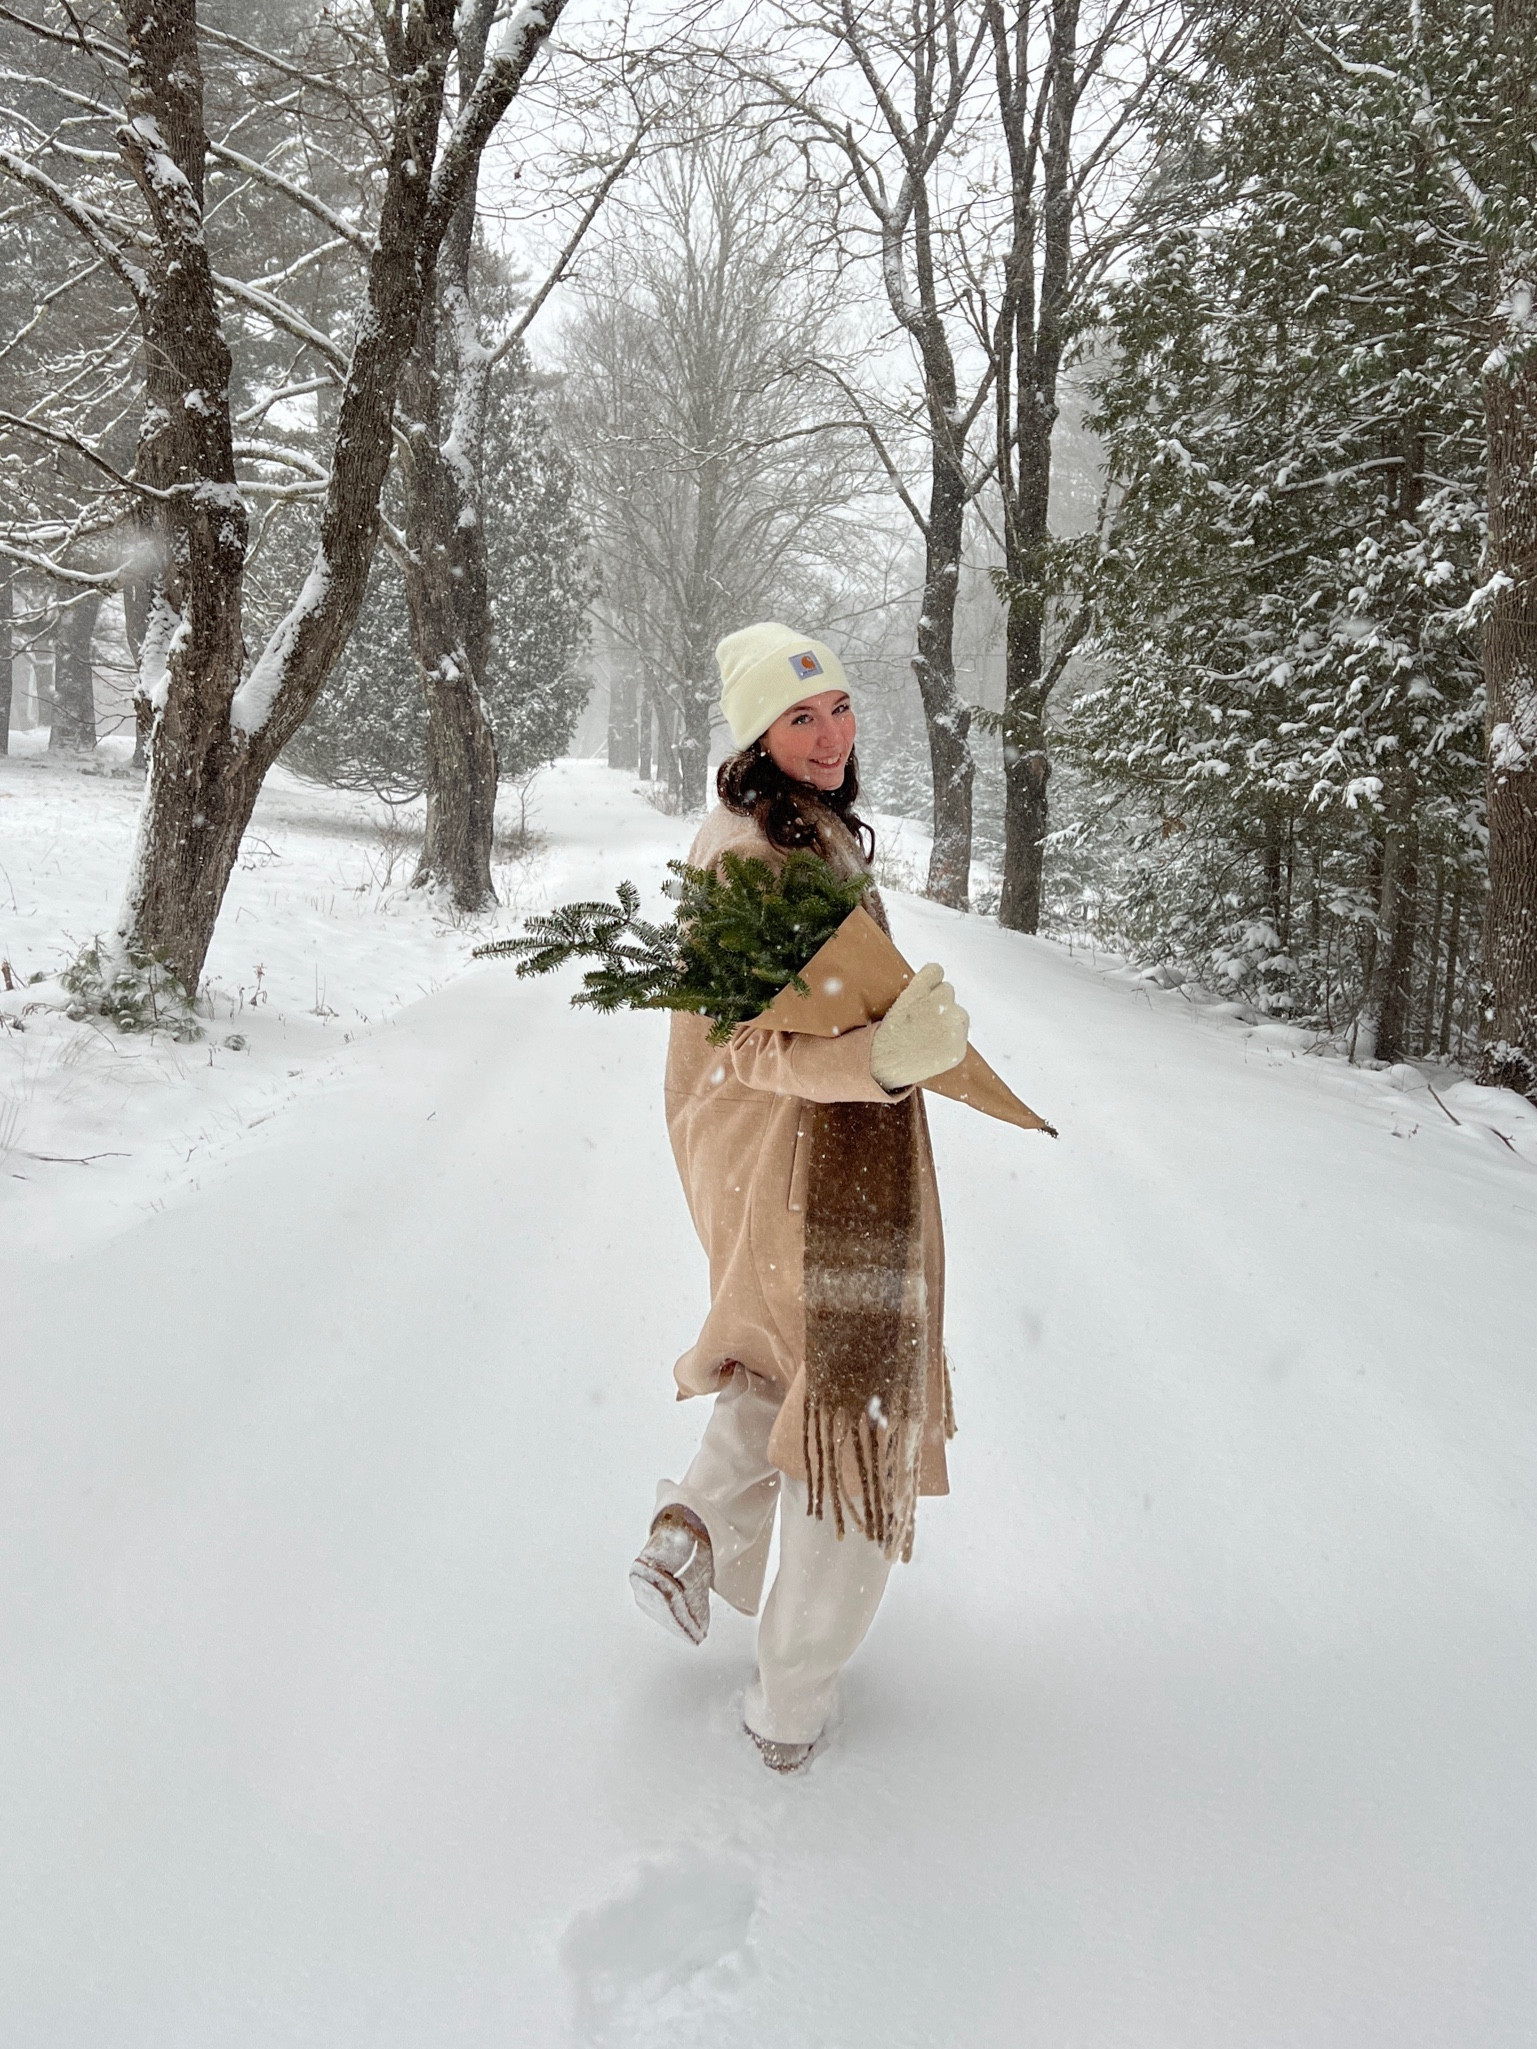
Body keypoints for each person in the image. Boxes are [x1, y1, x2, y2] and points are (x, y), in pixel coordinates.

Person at [629, 621, 971, 1772]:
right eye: (799, 718)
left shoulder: (782, 826)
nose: (830, 736)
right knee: (851, 1421)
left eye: (837, 710)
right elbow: (752, 1045)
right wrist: (880, 1060)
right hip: (798, 1162)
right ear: (757, 737)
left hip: (776, 1162)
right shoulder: (755, 855)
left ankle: (692, 1531)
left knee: (787, 1360)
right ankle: (792, 1703)